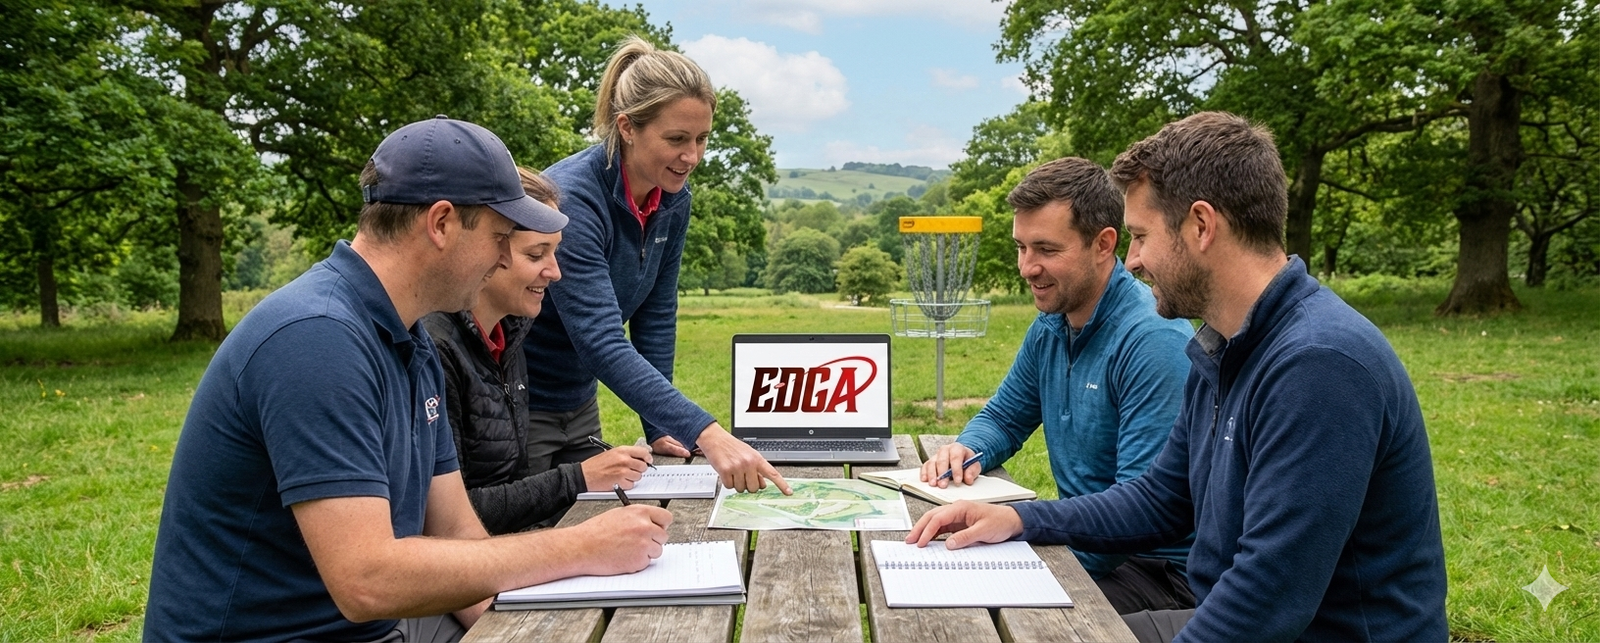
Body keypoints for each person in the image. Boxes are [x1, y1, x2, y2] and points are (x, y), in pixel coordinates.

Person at [907, 112, 1448, 643]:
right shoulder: (1225, 345)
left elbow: (1269, 598)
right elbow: (1160, 501)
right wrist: (1025, 522)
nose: (1134, 260)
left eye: (1141, 236)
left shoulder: (1319, 363)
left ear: (1201, 226)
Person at [145, 117, 672, 642]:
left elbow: (458, 532)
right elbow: (367, 580)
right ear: (441, 223)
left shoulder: (409, 337)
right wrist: (579, 547)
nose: (503, 257)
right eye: (500, 237)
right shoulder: (317, 339)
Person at [918, 157, 1195, 614]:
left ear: (1104, 244)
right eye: (1021, 247)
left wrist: (1032, 560)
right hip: (1086, 541)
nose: (1027, 268)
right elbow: (1006, 416)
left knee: (978, 607)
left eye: (1045, 249)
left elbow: (1140, 514)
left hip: (1155, 571)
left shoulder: (1152, 341)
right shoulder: (1052, 324)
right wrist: (969, 449)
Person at [528, 36, 790, 494]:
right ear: (627, 127)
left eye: (702, 138)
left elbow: (655, 315)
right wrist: (706, 432)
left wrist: (659, 425)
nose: (692, 157)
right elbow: (601, 340)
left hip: (579, 401)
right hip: (522, 404)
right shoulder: (573, 201)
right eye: (676, 139)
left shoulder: (673, 198)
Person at [421, 168, 655, 535]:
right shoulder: (435, 350)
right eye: (536, 254)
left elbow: (508, 487)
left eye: (555, 252)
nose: (555, 272)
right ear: (490, 248)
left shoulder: (510, 332)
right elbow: (450, 521)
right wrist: (578, 478)